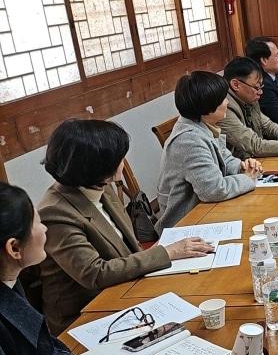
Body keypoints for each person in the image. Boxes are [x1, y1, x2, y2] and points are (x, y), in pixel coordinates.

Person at [36, 120, 213, 335]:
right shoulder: (55, 212)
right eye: (119, 157)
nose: (123, 162)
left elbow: (129, 246)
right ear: (96, 166)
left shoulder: (101, 187)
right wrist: (166, 253)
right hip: (88, 316)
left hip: (127, 290)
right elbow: (95, 273)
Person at [0, 182, 161, 355]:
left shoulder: (8, 279)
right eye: (35, 222)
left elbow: (35, 346)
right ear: (14, 248)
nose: (44, 228)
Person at [156, 71, 260, 231]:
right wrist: (248, 179)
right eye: (223, 99)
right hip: (185, 223)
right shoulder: (189, 140)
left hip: (206, 210)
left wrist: (242, 166)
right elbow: (213, 190)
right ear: (207, 108)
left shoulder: (202, 124)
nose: (227, 103)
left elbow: (224, 158)